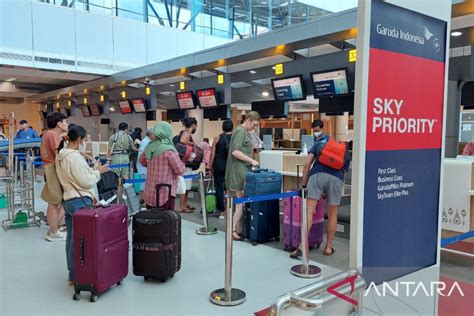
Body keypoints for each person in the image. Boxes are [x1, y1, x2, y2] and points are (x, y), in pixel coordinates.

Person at [56, 125, 109, 285]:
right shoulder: (74, 157)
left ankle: (73, 275)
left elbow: (76, 176)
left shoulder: (61, 155)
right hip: (80, 200)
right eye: (84, 140)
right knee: (84, 241)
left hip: (69, 200)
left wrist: (91, 170)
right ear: (78, 140)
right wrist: (98, 172)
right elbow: (85, 182)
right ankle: (84, 274)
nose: (85, 143)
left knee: (72, 240)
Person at [291, 137, 350, 258]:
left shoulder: (318, 145)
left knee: (309, 211)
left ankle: (302, 245)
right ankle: (328, 247)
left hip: (317, 175)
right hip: (336, 178)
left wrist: (303, 184)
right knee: (333, 213)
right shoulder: (346, 152)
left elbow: (307, 164)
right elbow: (345, 173)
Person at [225, 112, 260, 241]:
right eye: (254, 125)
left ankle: (238, 229)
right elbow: (235, 151)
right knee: (242, 201)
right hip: (239, 171)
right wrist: (251, 161)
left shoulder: (244, 132)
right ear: (249, 120)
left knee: (241, 201)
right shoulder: (240, 131)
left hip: (242, 170)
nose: (254, 128)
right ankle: (233, 229)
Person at [140, 122, 185, 210]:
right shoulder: (169, 150)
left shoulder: (149, 147)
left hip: (150, 192)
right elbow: (180, 170)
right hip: (165, 194)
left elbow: (142, 161)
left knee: (151, 221)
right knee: (165, 221)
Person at [40, 112, 68, 242]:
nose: (66, 124)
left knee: (60, 200)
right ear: (59, 123)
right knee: (54, 201)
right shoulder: (52, 134)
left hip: (52, 168)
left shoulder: (51, 134)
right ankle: (53, 232)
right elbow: (59, 154)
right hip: (53, 169)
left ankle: (55, 227)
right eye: (65, 121)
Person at [209, 120, 234, 217]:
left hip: (218, 164)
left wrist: (210, 166)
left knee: (219, 187)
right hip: (230, 165)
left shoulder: (217, 138)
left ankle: (221, 211)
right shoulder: (234, 138)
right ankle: (230, 208)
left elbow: (212, 153)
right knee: (229, 187)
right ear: (232, 128)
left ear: (222, 127)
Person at [177, 117, 198, 213]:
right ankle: (182, 206)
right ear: (193, 125)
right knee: (184, 186)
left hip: (186, 164)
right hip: (185, 164)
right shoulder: (186, 133)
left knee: (187, 186)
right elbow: (182, 140)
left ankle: (185, 204)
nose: (196, 127)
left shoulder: (184, 132)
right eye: (196, 125)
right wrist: (192, 144)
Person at [136, 128, 154, 196]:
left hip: (144, 165)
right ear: (151, 134)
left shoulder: (146, 141)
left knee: (144, 182)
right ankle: (142, 199)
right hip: (143, 166)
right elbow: (143, 155)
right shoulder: (146, 142)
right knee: (143, 183)